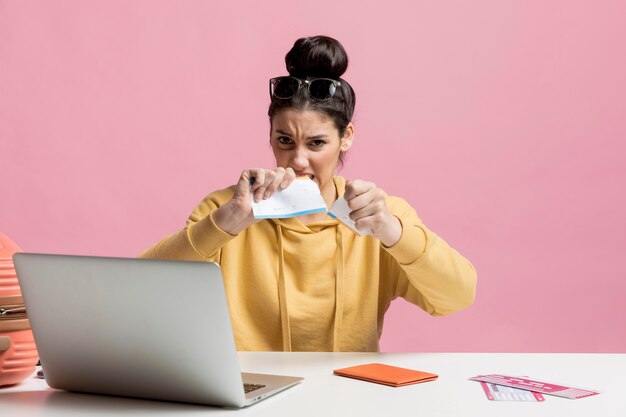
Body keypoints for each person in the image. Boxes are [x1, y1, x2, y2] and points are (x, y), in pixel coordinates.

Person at [140, 35, 477, 352]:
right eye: (284, 140)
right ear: (270, 136)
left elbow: (457, 297)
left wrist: (393, 233)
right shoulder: (225, 208)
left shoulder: (379, 215)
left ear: (346, 137)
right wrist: (225, 222)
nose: (299, 160)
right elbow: (142, 290)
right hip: (253, 398)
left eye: (317, 143)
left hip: (348, 397)